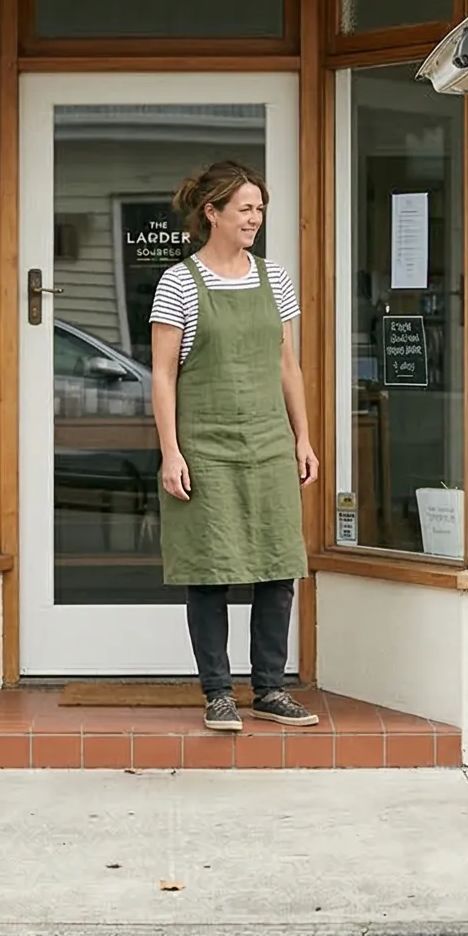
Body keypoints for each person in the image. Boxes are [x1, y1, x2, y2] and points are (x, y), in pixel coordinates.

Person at [150, 159, 320, 733]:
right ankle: (218, 694)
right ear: (213, 213)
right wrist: (171, 452)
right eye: (245, 208)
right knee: (211, 568)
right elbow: (163, 374)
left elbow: (286, 364)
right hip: (207, 446)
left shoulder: (275, 278)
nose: (256, 217)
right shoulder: (179, 281)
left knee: (277, 565)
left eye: (260, 208)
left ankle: (271, 689)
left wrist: (303, 436)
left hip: (269, 442)